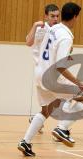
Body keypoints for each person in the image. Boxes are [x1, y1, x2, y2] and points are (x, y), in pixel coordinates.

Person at [17, 2, 83, 156]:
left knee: (46, 109)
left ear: (62, 15)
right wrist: (79, 83)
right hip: (52, 77)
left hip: (39, 74)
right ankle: (62, 128)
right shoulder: (65, 36)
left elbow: (40, 46)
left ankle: (25, 142)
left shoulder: (51, 29)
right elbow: (60, 67)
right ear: (74, 17)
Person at [26, 3, 60, 134]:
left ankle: (36, 120)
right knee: (61, 99)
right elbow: (28, 42)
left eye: (57, 16)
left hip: (50, 72)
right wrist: (35, 25)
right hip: (43, 72)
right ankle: (62, 129)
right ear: (46, 16)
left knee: (47, 109)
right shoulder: (41, 29)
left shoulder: (59, 30)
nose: (55, 19)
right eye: (52, 16)